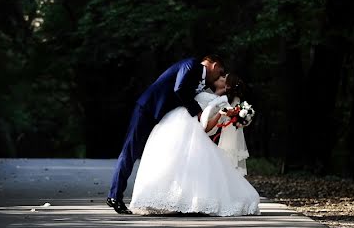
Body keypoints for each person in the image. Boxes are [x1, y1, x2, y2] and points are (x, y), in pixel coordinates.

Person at [106, 54, 226, 214]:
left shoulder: (200, 77)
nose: (220, 76)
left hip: (160, 114)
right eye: (221, 71)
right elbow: (180, 88)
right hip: (148, 108)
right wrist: (198, 113)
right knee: (130, 151)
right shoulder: (192, 65)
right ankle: (114, 196)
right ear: (215, 65)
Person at [128, 72, 260, 216]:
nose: (219, 78)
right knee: (172, 163)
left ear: (227, 86)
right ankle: (170, 198)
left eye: (223, 78)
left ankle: (188, 201)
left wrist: (220, 114)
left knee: (185, 166)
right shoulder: (206, 91)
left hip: (190, 129)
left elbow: (207, 127)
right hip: (177, 123)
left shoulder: (221, 102)